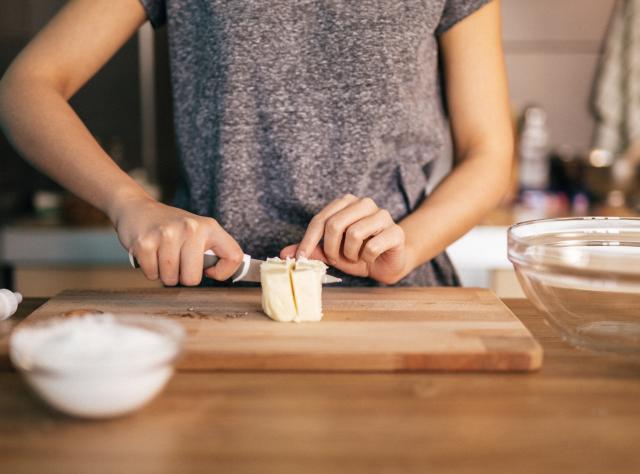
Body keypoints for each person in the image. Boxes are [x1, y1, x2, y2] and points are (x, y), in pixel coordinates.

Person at [0, 0, 512, 287]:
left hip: (399, 297)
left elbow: (490, 153)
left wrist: (408, 247)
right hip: (216, 299)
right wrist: (129, 202)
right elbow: (25, 88)